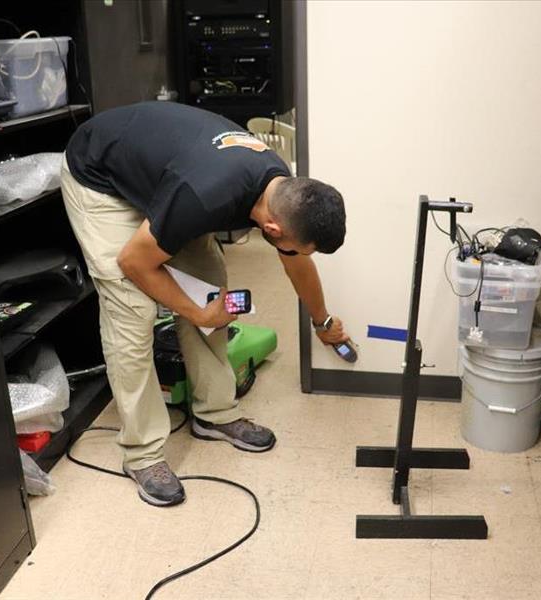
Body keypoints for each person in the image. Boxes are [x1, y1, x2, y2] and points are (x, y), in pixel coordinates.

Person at [61, 101, 350, 507]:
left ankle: (215, 414)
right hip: (99, 177)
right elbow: (133, 261)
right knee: (133, 308)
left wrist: (323, 322)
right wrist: (196, 312)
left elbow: (296, 263)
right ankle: (142, 453)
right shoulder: (205, 194)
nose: (291, 251)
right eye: (288, 244)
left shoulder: (282, 191)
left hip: (165, 179)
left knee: (212, 289)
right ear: (271, 228)